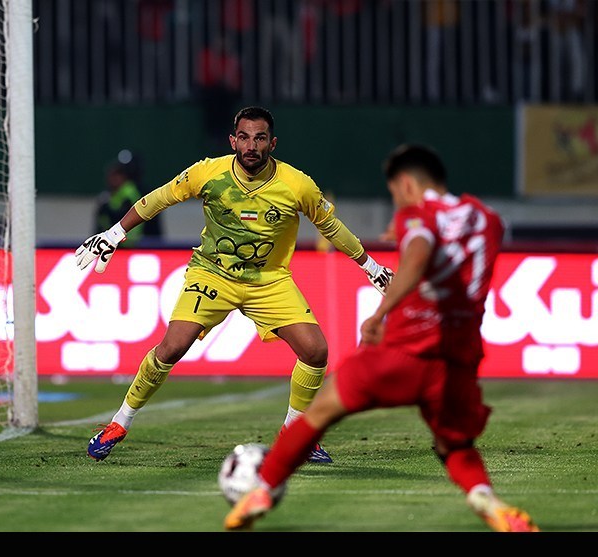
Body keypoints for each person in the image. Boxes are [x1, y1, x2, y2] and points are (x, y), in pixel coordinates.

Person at [223, 144, 540, 533]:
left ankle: (263, 489)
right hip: (457, 361)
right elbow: (458, 242)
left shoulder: (417, 217)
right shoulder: (487, 219)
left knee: (319, 411)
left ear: (406, 184)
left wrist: (380, 312)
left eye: (394, 193)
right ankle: (485, 498)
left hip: (405, 353)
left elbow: (419, 252)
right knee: (454, 444)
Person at [75, 106, 394, 464]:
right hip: (213, 273)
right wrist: (115, 233)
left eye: (259, 138)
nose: (251, 146)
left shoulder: (297, 184)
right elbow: (160, 197)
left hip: (268, 280)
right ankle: (119, 423)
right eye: (244, 137)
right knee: (172, 348)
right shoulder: (209, 173)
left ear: (272, 143)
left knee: (316, 351)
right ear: (232, 141)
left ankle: (295, 436)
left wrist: (370, 266)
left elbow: (330, 226)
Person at [94, 161, 143, 248]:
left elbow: (122, 216)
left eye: (115, 176)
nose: (112, 180)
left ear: (123, 177)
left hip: (128, 241)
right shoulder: (112, 192)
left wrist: (106, 207)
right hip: (115, 239)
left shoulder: (128, 192)